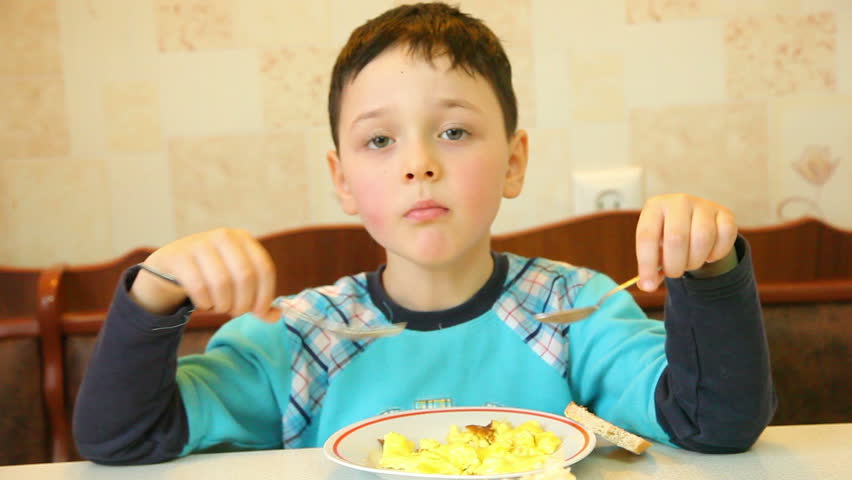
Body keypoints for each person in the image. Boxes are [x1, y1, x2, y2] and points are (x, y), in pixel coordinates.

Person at [73, 2, 775, 465]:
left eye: (454, 131)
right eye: (379, 140)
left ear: (514, 161)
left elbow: (715, 424)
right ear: (342, 179)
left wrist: (709, 273)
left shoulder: (575, 312)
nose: (420, 164)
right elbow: (120, 438)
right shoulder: (305, 337)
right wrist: (156, 293)